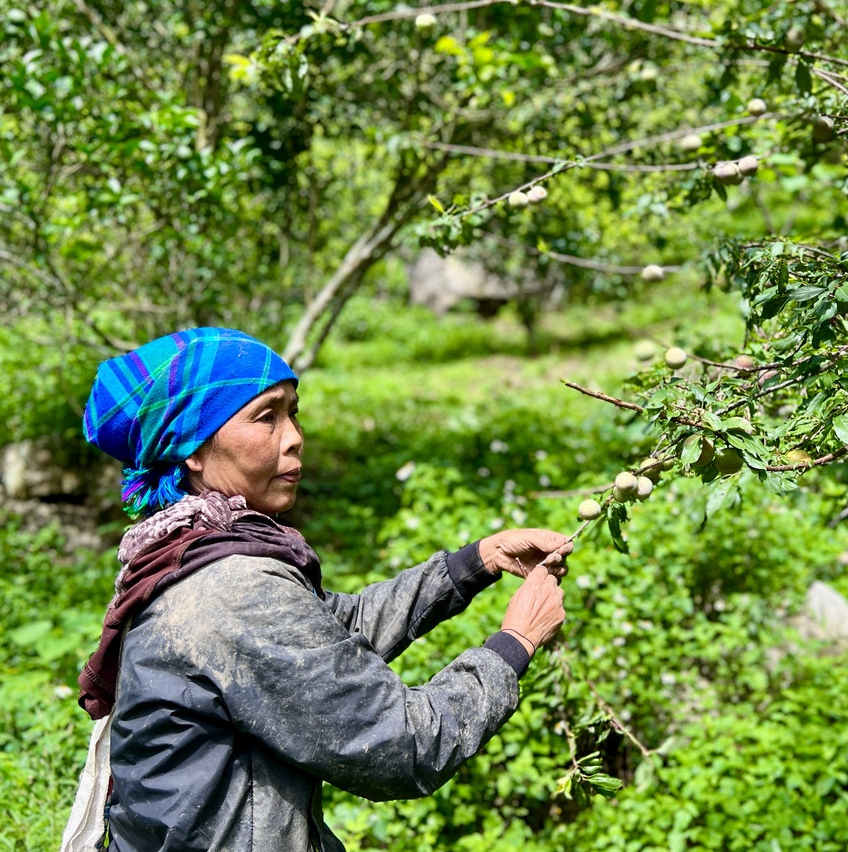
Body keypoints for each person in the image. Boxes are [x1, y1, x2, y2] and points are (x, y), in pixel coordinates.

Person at [62, 327, 571, 852]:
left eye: (292, 411)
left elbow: (321, 634)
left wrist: (474, 563)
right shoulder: (231, 587)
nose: (294, 435)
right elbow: (403, 746)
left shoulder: (187, 547)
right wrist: (515, 642)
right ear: (192, 450)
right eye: (266, 417)